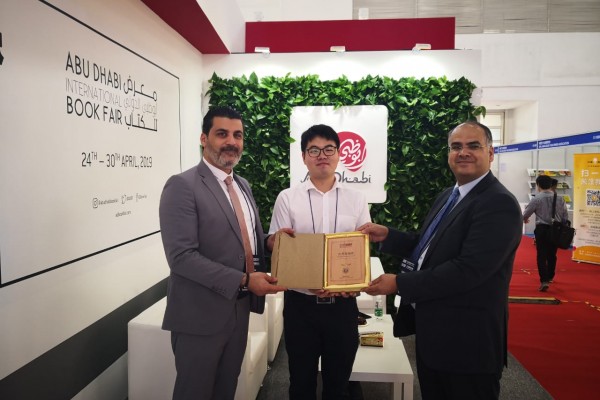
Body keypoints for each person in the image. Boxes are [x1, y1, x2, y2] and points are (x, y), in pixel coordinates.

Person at [358, 121, 523, 400]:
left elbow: (467, 270)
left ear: (490, 153)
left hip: (468, 344)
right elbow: (429, 247)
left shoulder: (498, 203)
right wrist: (388, 235)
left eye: (473, 146)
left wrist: (399, 283)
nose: (463, 152)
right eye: (456, 147)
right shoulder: (449, 195)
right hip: (436, 336)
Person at [159, 105, 286, 400]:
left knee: (226, 389)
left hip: (238, 311)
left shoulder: (242, 184)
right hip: (199, 315)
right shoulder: (182, 185)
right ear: (204, 138)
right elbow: (181, 257)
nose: (231, 141)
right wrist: (244, 280)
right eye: (222, 134)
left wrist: (269, 242)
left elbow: (242, 238)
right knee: (194, 393)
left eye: (237, 135)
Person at [266, 124, 372, 400]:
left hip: (342, 307)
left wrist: (353, 283)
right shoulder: (287, 198)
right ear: (304, 156)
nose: (322, 155)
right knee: (300, 383)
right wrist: (277, 241)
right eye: (314, 150)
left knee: (338, 384)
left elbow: (361, 247)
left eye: (328, 149)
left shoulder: (356, 199)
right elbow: (276, 245)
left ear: (339, 154)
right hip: (301, 307)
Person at [523, 174, 569, 291]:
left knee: (541, 255)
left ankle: (544, 280)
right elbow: (565, 216)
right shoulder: (560, 199)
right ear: (551, 185)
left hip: (542, 229)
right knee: (552, 254)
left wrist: (525, 219)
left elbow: (526, 213)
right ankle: (550, 276)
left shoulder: (536, 199)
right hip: (556, 229)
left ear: (538, 185)